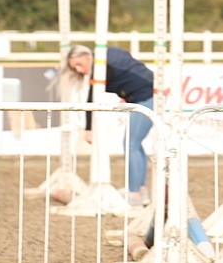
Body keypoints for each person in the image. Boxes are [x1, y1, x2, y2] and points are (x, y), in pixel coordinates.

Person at [55, 43, 155, 206]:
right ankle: (139, 190)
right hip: (148, 95)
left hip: (147, 97)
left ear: (87, 56)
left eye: (79, 65)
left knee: (131, 144)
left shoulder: (103, 64)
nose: (79, 71)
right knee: (134, 144)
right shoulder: (107, 56)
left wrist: (88, 128)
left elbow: (92, 97)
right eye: (75, 68)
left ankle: (135, 192)